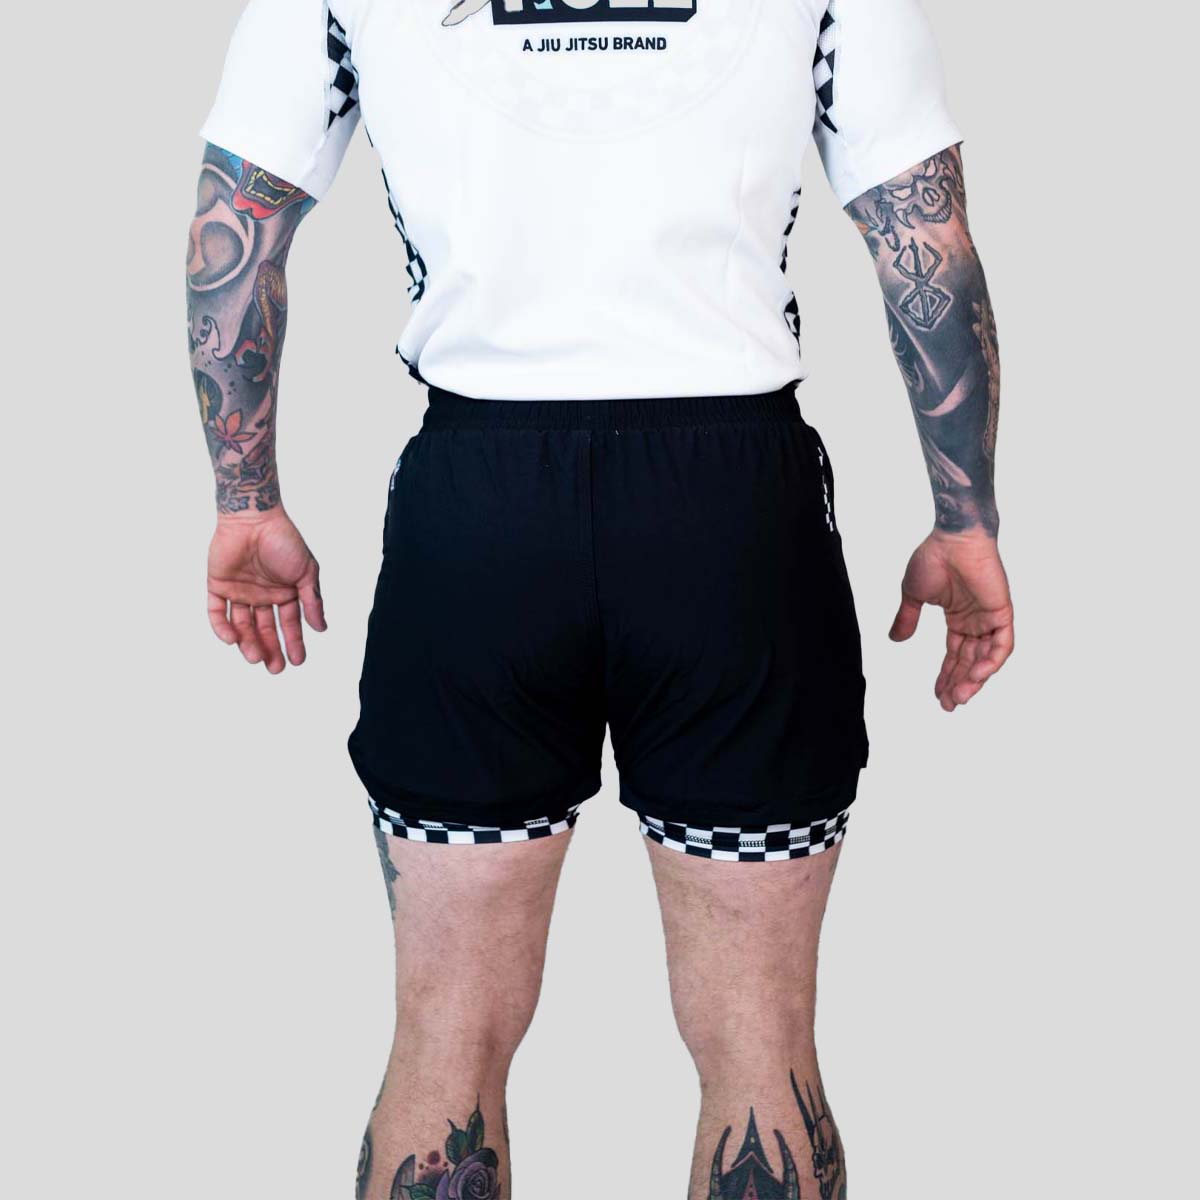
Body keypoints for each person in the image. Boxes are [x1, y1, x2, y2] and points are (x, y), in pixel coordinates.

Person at [187, 1, 1013, 1196]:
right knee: (761, 1054)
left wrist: (245, 496)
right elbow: (923, 237)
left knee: (447, 1036)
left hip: (478, 513)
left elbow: (236, 227)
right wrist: (966, 516)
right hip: (733, 516)